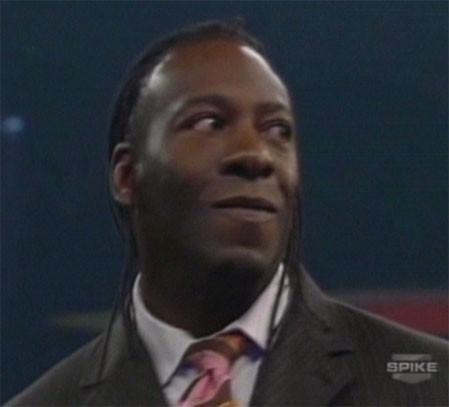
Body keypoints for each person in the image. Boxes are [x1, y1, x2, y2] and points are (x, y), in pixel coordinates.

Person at [6, 20, 448, 407]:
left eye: (277, 130)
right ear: (127, 176)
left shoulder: (428, 383)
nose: (256, 155)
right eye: (209, 122)